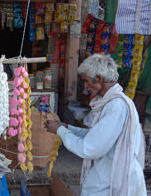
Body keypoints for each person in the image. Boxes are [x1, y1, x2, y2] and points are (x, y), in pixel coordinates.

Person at [44, 54, 146, 196]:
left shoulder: (116, 106)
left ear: (98, 78)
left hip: (112, 179)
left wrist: (60, 130)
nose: (85, 86)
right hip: (108, 173)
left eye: (86, 81)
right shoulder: (113, 103)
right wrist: (67, 128)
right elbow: (96, 135)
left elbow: (90, 147)